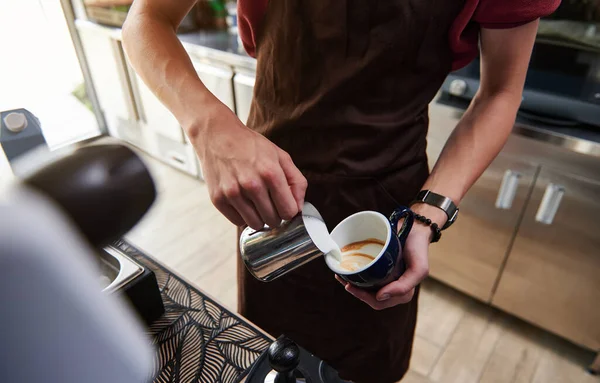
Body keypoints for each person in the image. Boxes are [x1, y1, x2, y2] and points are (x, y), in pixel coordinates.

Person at [122, 1, 560, 382]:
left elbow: (501, 92)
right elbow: (146, 19)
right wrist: (210, 126)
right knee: (273, 354)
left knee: (366, 365)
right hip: (273, 191)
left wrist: (429, 213)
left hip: (389, 203)